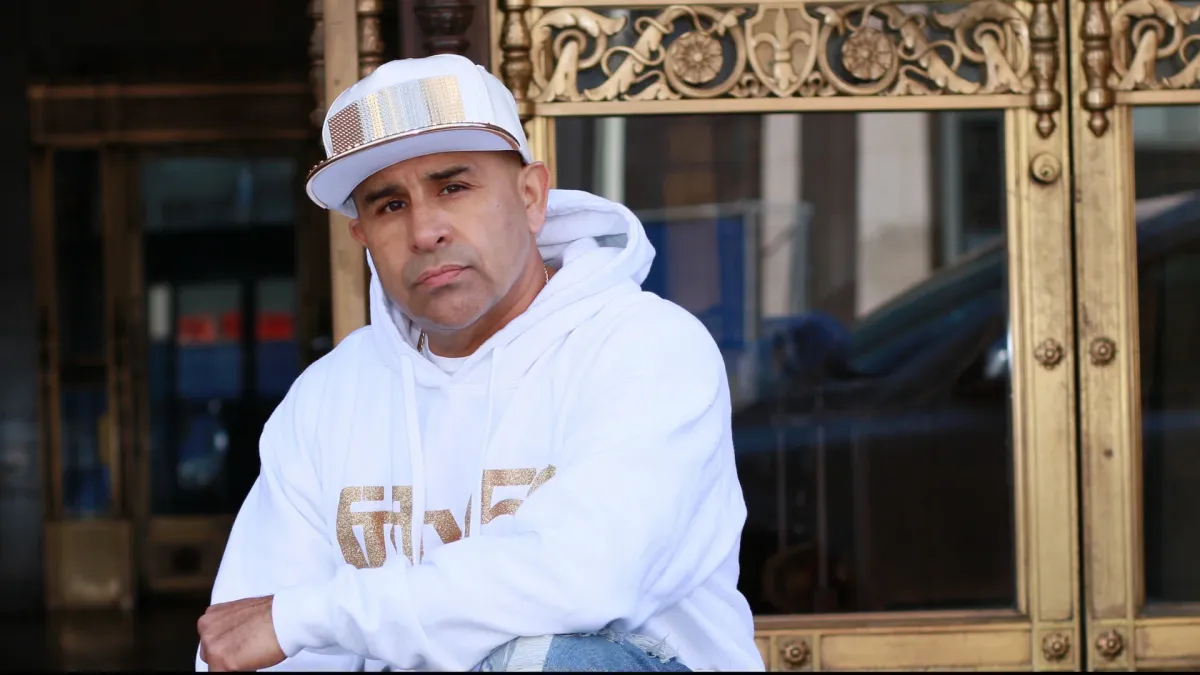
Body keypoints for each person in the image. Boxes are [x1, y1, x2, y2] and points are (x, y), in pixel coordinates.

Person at [194, 54, 763, 672]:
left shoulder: (644, 347)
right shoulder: (328, 397)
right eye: (389, 205)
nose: (424, 230)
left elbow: (580, 579)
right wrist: (293, 626)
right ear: (362, 239)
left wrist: (307, 615)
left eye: (453, 187)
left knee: (552, 660)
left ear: (531, 196)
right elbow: (247, 644)